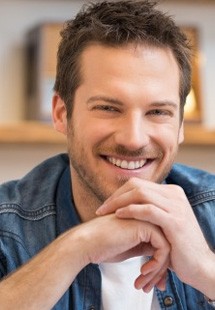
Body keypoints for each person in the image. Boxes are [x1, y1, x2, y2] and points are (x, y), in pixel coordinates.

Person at [0, 0, 215, 309]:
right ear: (62, 113)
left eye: (158, 111)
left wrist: (207, 270)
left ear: (181, 124)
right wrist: (77, 247)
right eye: (108, 108)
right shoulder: (7, 227)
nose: (133, 139)